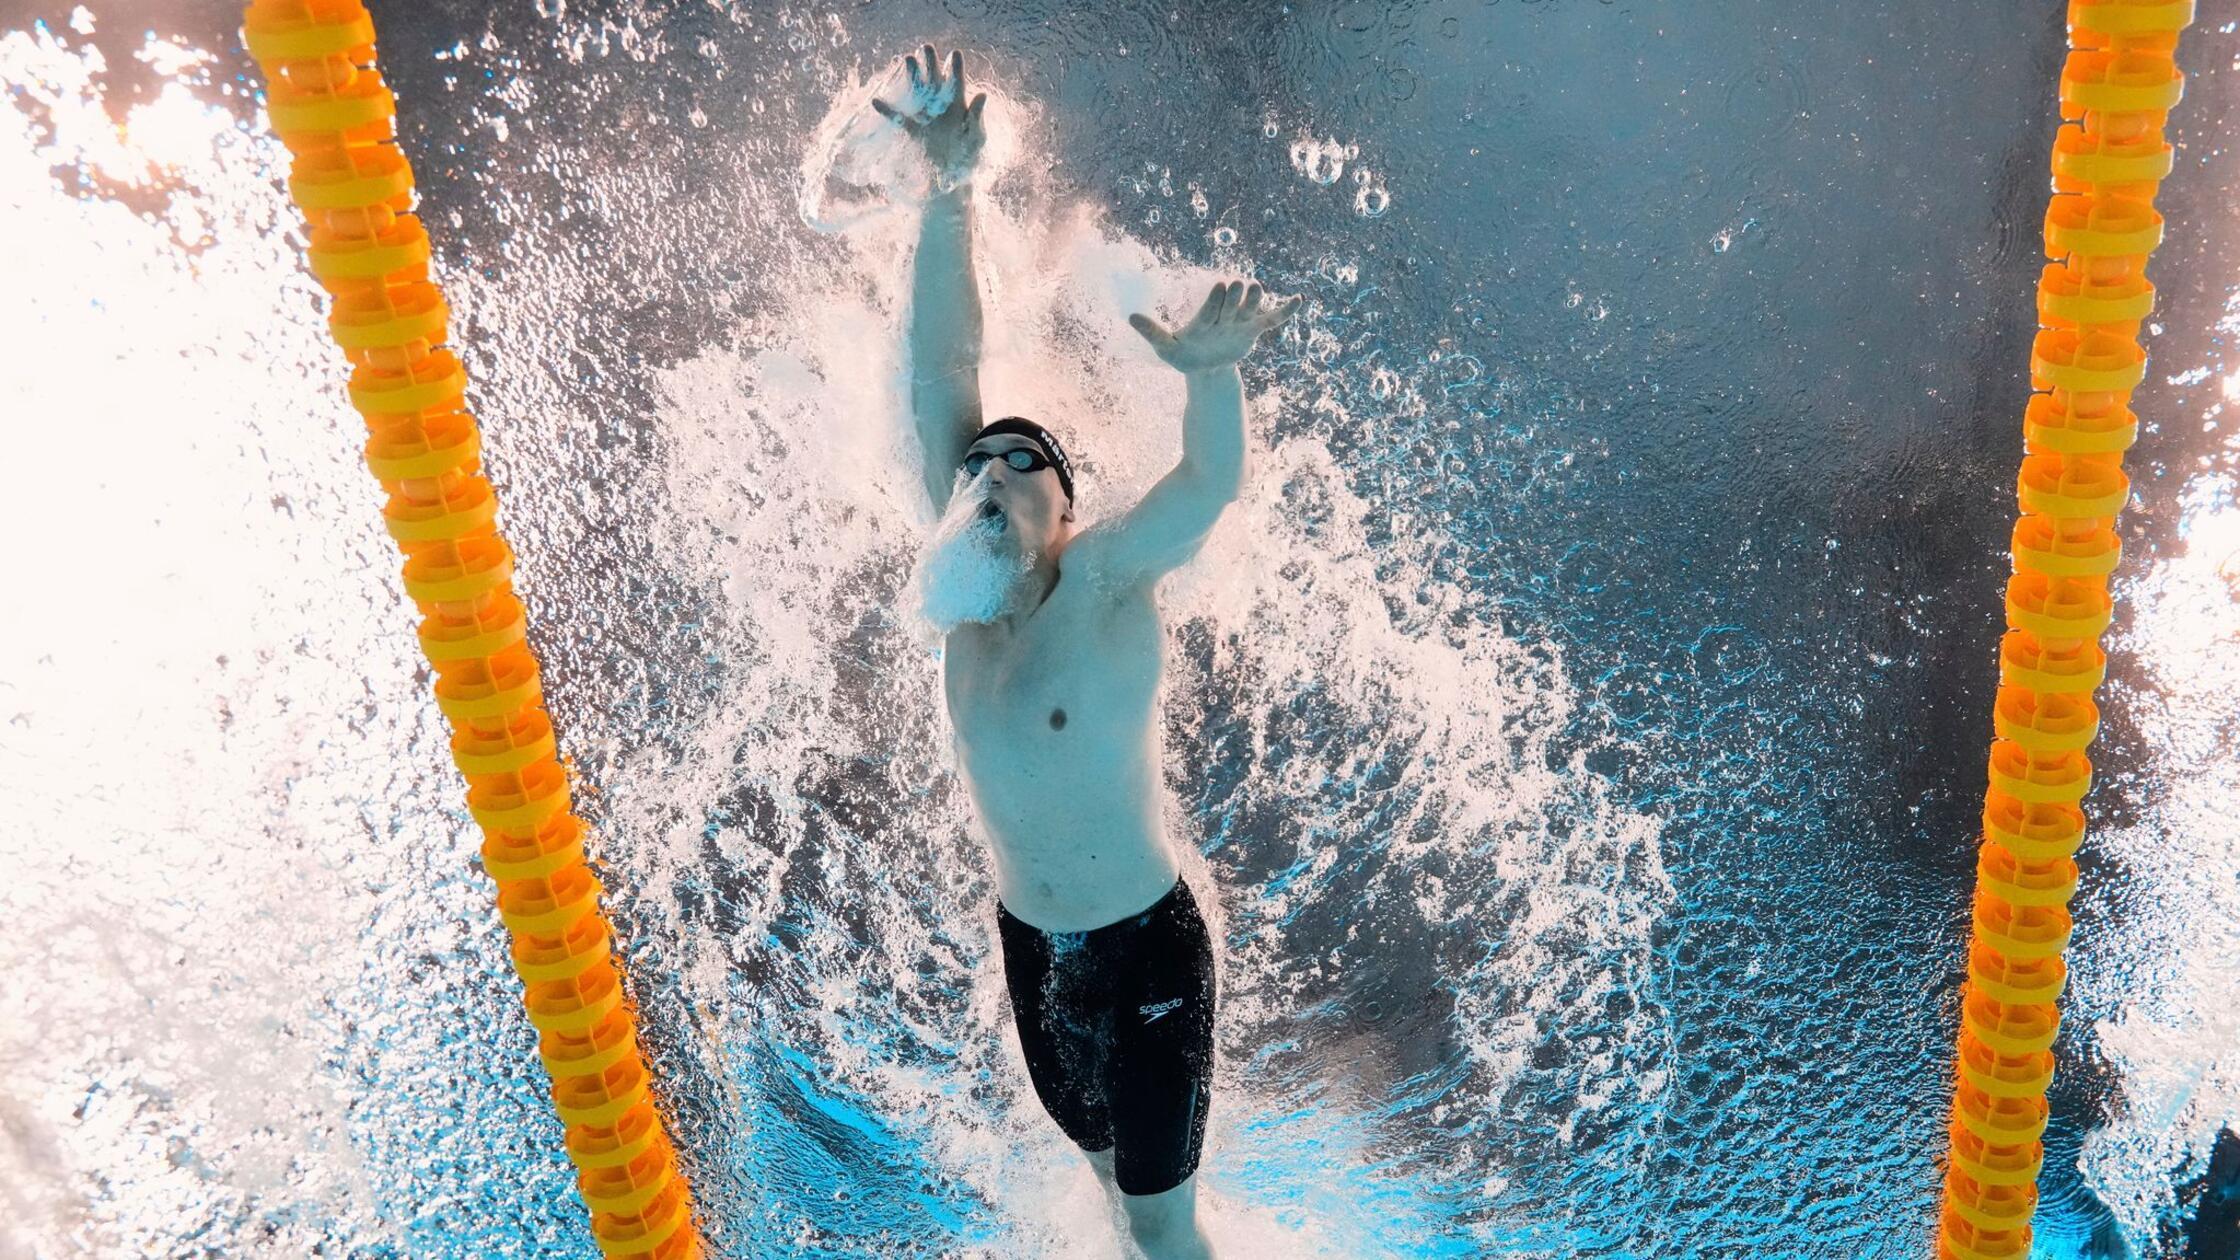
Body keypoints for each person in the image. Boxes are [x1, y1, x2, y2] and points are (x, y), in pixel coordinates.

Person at [874, 44, 1300, 1260]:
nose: (992, 472)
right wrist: (947, 192)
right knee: (1116, 1201)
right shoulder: (962, 591)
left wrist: (1210, 378)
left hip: (1145, 952)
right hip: (1034, 953)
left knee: (1163, 1235)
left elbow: (1205, 484)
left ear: (1065, 511)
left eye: (1026, 464)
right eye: (979, 462)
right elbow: (941, 369)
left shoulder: (1101, 584)